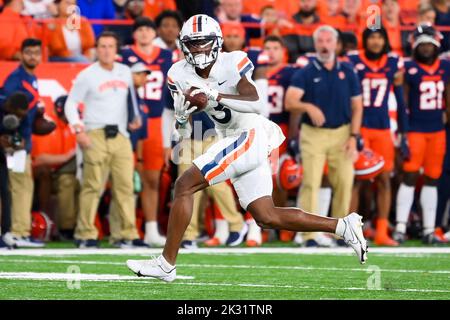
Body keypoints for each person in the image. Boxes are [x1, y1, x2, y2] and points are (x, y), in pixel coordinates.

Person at [126, 15, 368, 282]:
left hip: (250, 134)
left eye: (204, 42)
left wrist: (214, 95)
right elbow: (183, 133)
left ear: (216, 43)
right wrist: (182, 119)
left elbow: (255, 102)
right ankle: (343, 226)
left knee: (184, 185)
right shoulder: (177, 73)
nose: (198, 49)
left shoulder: (233, 61)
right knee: (266, 216)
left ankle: (166, 264)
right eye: (192, 44)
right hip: (230, 137)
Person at [284, 25, 364, 247]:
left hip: (342, 133)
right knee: (311, 182)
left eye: (329, 41)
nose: (325, 45)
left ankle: (342, 234)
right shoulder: (306, 72)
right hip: (313, 134)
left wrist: (353, 136)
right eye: (320, 41)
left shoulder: (348, 71)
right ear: (315, 44)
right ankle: (308, 234)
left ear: (336, 44)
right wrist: (308, 106)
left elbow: (357, 106)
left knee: (345, 182)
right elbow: (290, 102)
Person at [64, 31, 143, 248]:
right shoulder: (87, 74)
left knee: (126, 187)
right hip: (94, 132)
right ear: (96, 49)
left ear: (116, 50)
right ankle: (85, 233)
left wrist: (135, 117)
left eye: (110, 46)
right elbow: (70, 103)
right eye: (102, 46)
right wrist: (78, 129)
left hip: (120, 134)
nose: (106, 50)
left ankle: (126, 234)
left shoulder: (125, 71)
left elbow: (131, 100)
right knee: (92, 186)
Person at [347, 27, 408, 246]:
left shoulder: (393, 63)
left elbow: (400, 101)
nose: (375, 41)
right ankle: (351, 231)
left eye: (379, 37)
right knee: (355, 179)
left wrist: (404, 131)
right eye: (371, 37)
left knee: (384, 178)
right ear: (365, 40)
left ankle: (381, 230)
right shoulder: (354, 60)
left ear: (385, 41)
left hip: (382, 128)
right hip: (361, 126)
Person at [393, 24, 450, 244]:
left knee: (433, 178)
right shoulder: (408, 68)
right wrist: (403, 132)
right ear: (415, 46)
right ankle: (400, 226)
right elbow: (402, 102)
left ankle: (428, 228)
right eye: (422, 44)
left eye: (430, 44)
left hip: (437, 130)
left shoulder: (445, 67)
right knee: (409, 176)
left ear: (436, 45)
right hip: (415, 129)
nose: (426, 48)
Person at [120, 17, 173, 246]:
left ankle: (151, 228)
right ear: (134, 34)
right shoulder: (123, 56)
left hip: (154, 120)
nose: (144, 33)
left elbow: (171, 96)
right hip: (128, 119)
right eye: (139, 29)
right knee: (125, 177)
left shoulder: (166, 56)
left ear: (154, 33)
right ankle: (125, 228)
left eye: (148, 29)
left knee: (152, 178)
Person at [1, 39, 46, 248]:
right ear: (21, 54)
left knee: (23, 184)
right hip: (15, 143)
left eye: (36, 52)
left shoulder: (31, 77)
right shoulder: (16, 78)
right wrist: (12, 137)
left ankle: (19, 230)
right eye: (28, 52)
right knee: (19, 185)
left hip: (24, 140)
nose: (32, 56)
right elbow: (6, 106)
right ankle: (18, 231)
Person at [31, 95, 78, 240]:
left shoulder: (72, 128)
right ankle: (65, 228)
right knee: (66, 182)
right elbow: (39, 159)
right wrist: (66, 156)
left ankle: (83, 227)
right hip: (46, 174)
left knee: (85, 182)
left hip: (66, 171)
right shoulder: (47, 125)